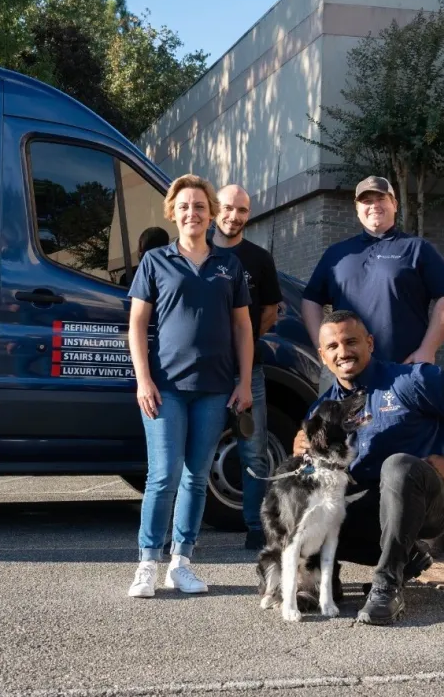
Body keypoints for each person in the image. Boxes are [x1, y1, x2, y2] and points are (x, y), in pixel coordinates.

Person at [294, 310, 444, 625]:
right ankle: (323, 575)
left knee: (397, 466)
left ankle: (388, 584)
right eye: (332, 347)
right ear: (323, 356)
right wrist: (301, 451)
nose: (343, 352)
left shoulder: (411, 379)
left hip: (430, 499)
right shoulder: (323, 409)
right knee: (299, 495)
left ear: (370, 343)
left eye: (351, 342)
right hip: (372, 509)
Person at [126, 174, 254, 597]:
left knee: (197, 477)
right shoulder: (155, 261)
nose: (192, 213)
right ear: (173, 212)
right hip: (165, 387)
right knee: (163, 475)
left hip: (215, 388)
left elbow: (243, 328)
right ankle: (147, 562)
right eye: (184, 206)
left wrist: (245, 382)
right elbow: (137, 324)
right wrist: (143, 380)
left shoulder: (228, 266)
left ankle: (181, 562)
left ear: (210, 213)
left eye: (200, 206)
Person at [301, 176, 444, 373]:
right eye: (367, 201)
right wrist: (324, 349)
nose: (374, 205)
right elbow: (310, 301)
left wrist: (428, 349)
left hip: (404, 369)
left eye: (381, 199)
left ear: (394, 204)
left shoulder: (417, 248)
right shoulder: (337, 254)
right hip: (346, 371)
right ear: (357, 208)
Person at [211, 184, 283, 551]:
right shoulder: (198, 252)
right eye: (227, 208)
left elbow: (269, 311)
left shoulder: (258, 258)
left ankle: (257, 526)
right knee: (195, 450)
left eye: (241, 210)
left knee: (253, 450)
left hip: (247, 372)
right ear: (214, 209)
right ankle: (180, 533)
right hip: (203, 373)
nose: (233, 216)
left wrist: (246, 344)